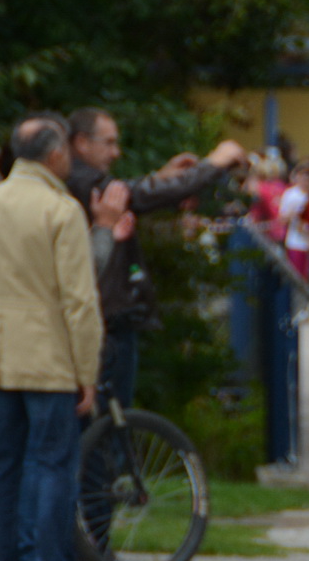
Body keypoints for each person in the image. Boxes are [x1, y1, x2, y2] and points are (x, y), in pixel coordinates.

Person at [0, 114, 103, 561]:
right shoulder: (61, 211)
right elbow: (79, 301)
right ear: (55, 153)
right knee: (56, 465)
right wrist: (87, 371)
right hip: (48, 356)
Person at [65, 107, 248, 407]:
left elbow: (134, 191)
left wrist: (162, 177)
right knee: (108, 424)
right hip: (107, 321)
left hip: (105, 318)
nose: (116, 152)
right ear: (82, 142)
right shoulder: (82, 181)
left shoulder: (83, 180)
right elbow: (138, 195)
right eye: (108, 142)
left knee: (105, 424)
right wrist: (215, 162)